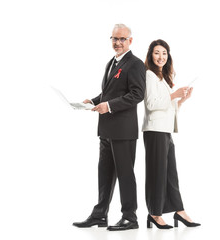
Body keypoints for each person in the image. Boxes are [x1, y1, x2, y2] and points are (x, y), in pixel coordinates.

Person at [72, 24, 145, 231]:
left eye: (122, 39)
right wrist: (93, 101)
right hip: (106, 129)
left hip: (123, 131)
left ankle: (130, 217)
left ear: (130, 41)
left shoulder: (136, 64)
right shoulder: (110, 63)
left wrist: (109, 106)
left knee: (125, 174)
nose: (117, 43)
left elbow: (137, 95)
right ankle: (100, 215)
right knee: (104, 173)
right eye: (114, 38)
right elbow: (109, 92)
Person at [142, 39, 200, 229]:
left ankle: (178, 210)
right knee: (157, 174)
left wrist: (181, 100)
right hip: (154, 131)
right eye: (157, 53)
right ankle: (155, 214)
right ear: (151, 55)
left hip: (165, 131)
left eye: (164, 53)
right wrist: (174, 95)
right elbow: (151, 104)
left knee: (170, 174)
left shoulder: (163, 78)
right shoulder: (149, 75)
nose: (161, 57)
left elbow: (167, 107)